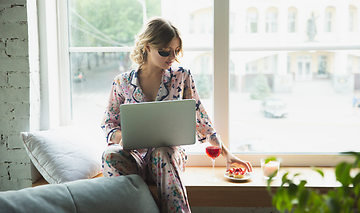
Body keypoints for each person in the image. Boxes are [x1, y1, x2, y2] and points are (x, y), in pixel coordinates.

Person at [101, 17, 253, 213]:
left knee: (164, 152)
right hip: (134, 161)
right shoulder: (121, 83)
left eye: (176, 51)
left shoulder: (182, 76)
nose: (172, 56)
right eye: (165, 51)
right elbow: (108, 124)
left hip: (168, 160)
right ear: (147, 47)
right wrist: (125, 137)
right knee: (110, 155)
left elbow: (200, 118)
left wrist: (226, 154)